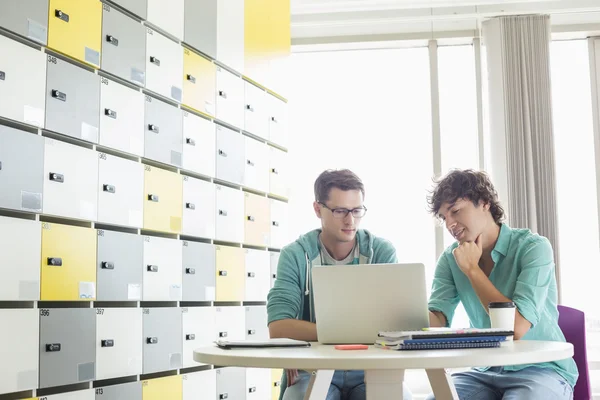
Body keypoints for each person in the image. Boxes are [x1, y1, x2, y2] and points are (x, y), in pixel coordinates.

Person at [425, 169, 578, 400]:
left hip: (541, 369)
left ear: (484, 203)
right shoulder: (450, 259)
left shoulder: (533, 248)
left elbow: (515, 328)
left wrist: (472, 270)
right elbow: (437, 320)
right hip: (485, 370)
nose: (450, 224)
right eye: (444, 217)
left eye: (455, 211)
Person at [267, 169, 412, 400]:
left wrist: (308, 333)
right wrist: (357, 334)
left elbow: (396, 326)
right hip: (313, 368)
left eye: (356, 210)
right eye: (340, 211)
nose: (350, 220)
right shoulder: (295, 255)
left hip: (372, 368)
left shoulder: (381, 252)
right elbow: (278, 328)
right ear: (317, 209)